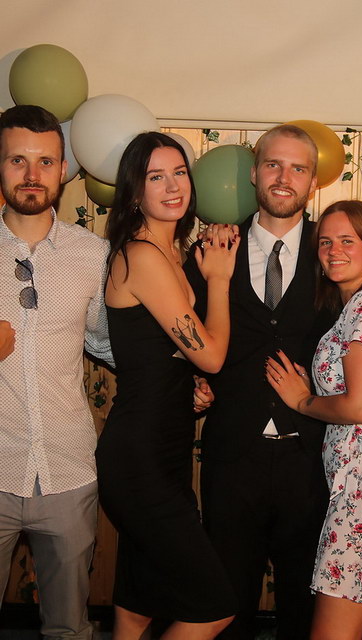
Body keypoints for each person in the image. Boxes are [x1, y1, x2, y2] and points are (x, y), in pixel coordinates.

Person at [184, 125, 362, 640]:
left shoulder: (332, 249)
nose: (284, 177)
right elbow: (180, 329)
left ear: (313, 181)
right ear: (254, 173)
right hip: (232, 454)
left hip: (315, 460)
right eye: (273, 164)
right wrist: (191, 381)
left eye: (298, 168)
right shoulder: (215, 248)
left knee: (307, 603)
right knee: (226, 601)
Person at [95, 132, 238, 639]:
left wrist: (186, 385)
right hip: (140, 458)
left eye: (179, 173)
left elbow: (164, 354)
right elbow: (213, 355)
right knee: (214, 608)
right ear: (135, 191)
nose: (173, 186)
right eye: (156, 177)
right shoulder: (143, 256)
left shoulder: (171, 253)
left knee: (138, 605)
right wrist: (218, 280)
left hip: (165, 448)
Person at [265, 200, 362, 640]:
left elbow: (360, 408)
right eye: (326, 242)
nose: (333, 250)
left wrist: (303, 401)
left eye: (347, 241)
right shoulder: (358, 305)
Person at [0, 105, 113, 639]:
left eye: (45, 161)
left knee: (69, 628)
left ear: (63, 169)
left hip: (68, 470)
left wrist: (181, 378)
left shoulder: (94, 254)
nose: (32, 174)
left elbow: (110, 344)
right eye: (17, 160)